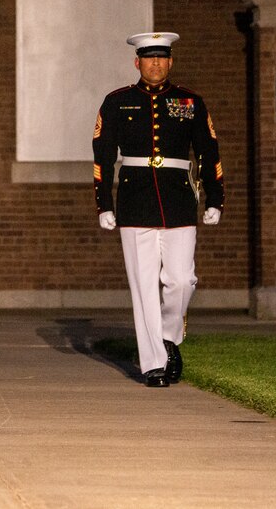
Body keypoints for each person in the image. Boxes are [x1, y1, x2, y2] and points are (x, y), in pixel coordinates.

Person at [93, 31, 224, 388]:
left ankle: (167, 337)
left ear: (171, 61)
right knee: (144, 287)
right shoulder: (117, 102)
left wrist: (215, 198)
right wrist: (104, 203)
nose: (156, 64)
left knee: (182, 280)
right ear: (137, 62)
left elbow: (209, 153)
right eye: (149, 58)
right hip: (135, 202)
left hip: (179, 199)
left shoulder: (191, 102)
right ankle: (153, 363)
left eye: (162, 58)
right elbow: (103, 157)